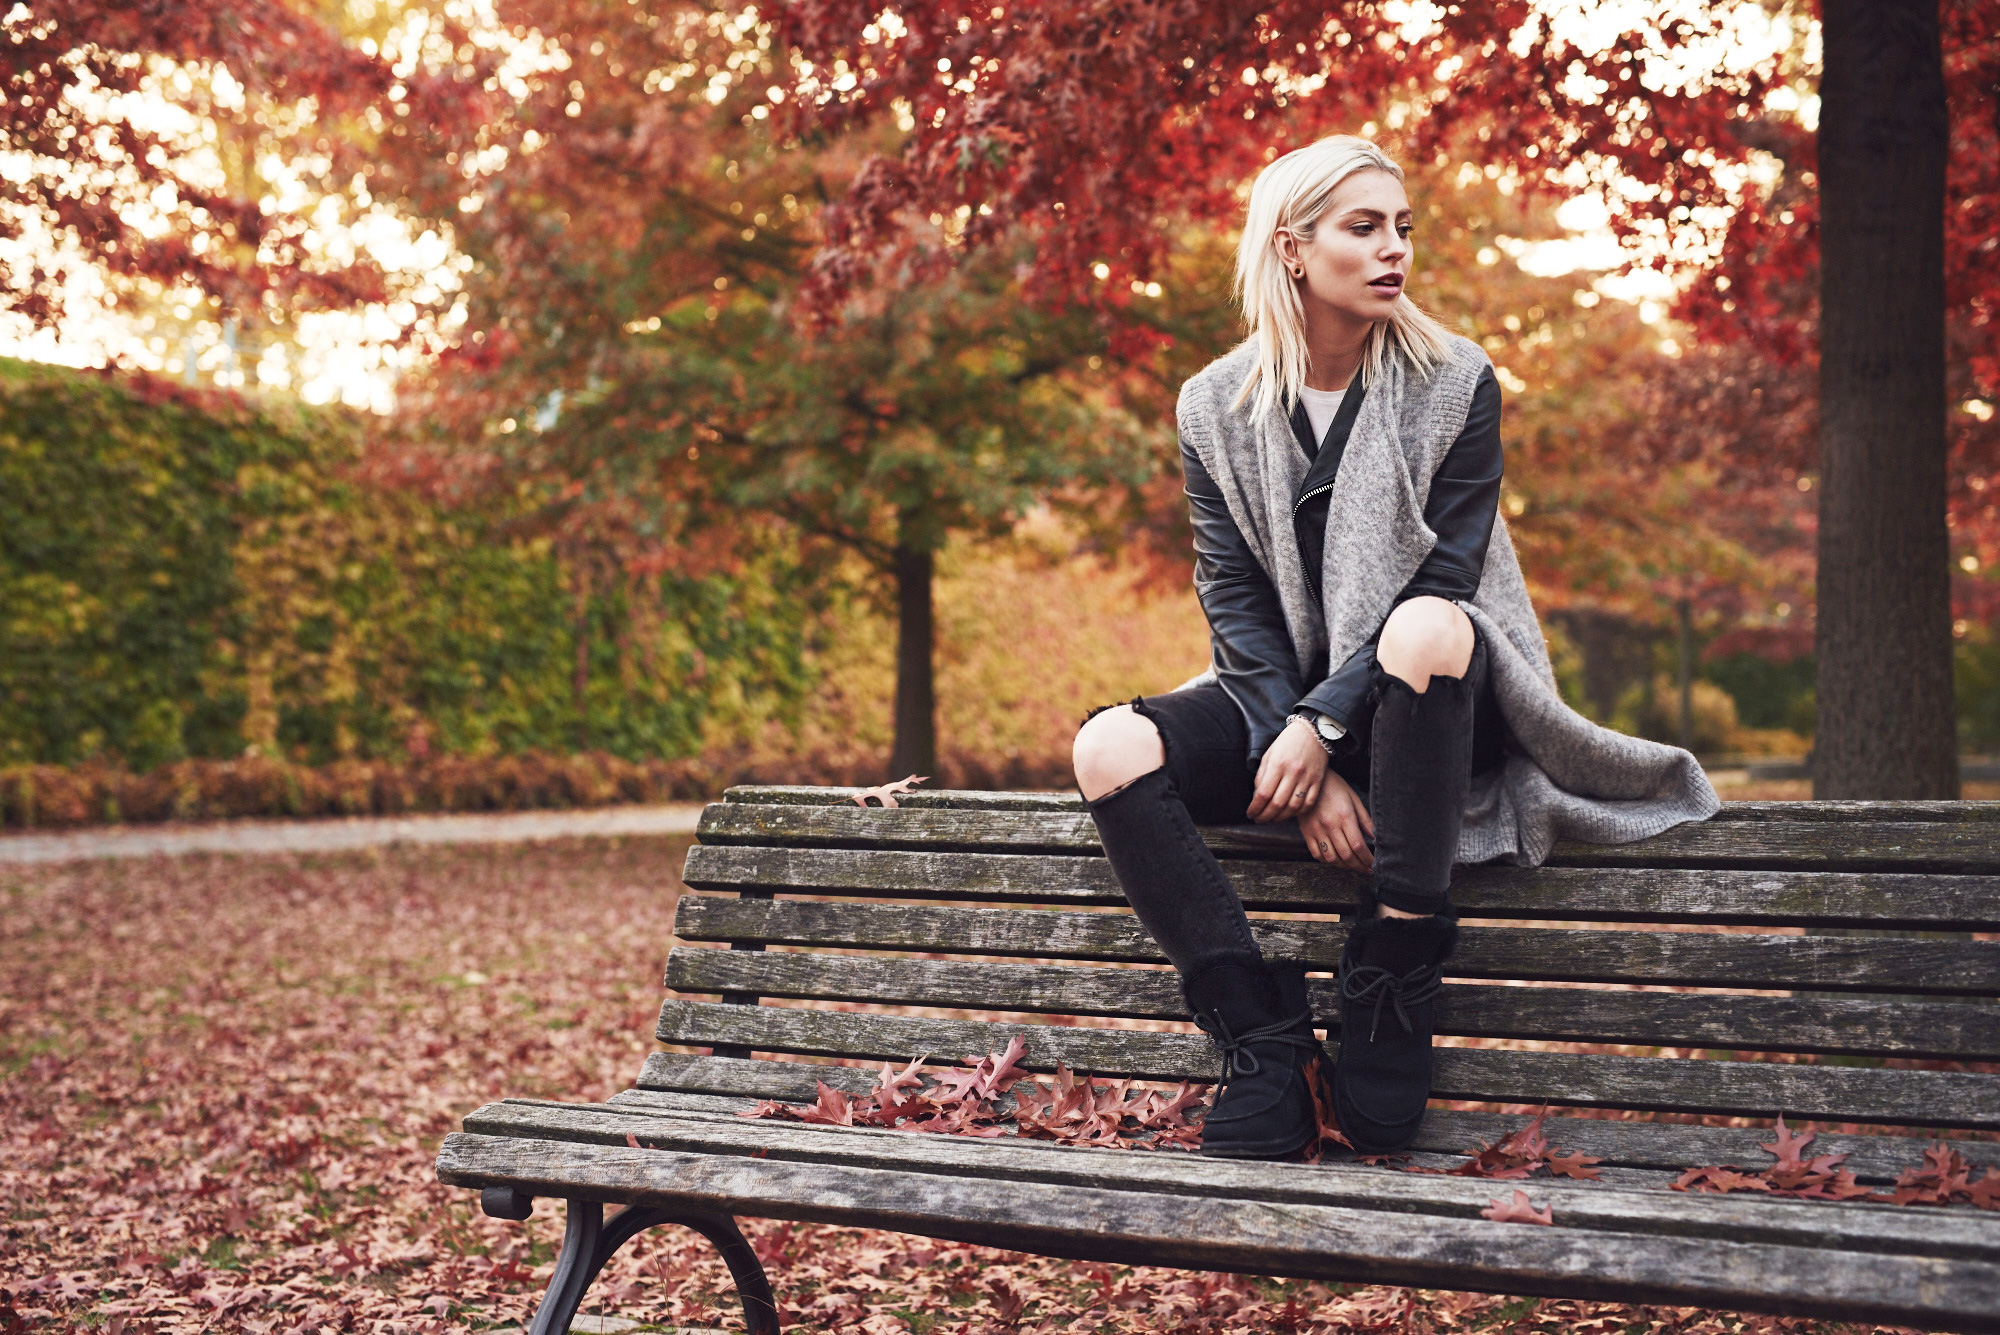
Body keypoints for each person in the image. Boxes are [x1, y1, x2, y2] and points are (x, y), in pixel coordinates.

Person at [1072, 135, 1719, 1161]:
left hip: (1432, 700)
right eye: (1362, 228)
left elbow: (1444, 576)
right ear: (1291, 248)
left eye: (1401, 230)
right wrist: (1301, 741)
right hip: (1276, 696)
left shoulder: (1453, 380)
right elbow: (1233, 598)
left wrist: (1323, 727)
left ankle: (1391, 968)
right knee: (1108, 745)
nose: (1393, 251)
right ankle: (1263, 1040)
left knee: (1425, 624)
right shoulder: (1211, 403)